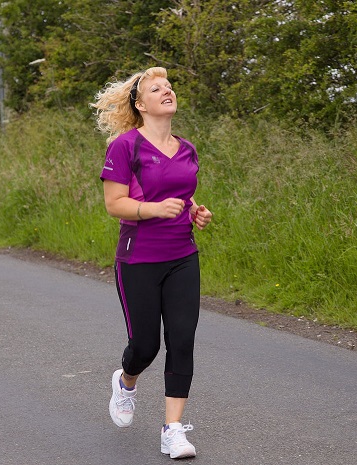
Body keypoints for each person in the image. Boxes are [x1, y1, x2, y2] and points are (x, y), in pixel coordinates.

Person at [91, 66, 212, 459]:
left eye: (170, 87)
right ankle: (126, 383)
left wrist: (195, 211)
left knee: (182, 340)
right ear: (140, 104)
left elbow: (183, 195)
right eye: (156, 89)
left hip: (182, 255)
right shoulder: (125, 147)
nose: (167, 92)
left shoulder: (188, 148)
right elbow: (115, 204)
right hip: (138, 258)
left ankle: (172, 430)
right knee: (145, 346)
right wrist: (154, 209)